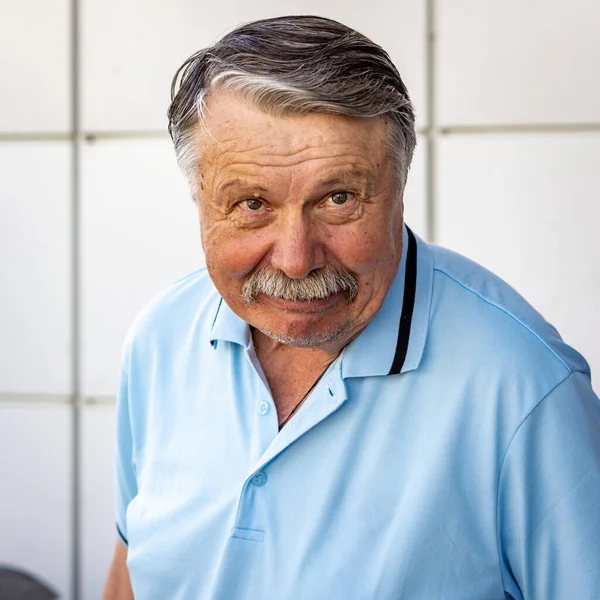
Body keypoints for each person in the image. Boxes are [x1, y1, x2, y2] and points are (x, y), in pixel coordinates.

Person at [103, 15, 600, 600]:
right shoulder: (159, 340)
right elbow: (130, 575)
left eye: (339, 198)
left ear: (400, 185)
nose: (295, 259)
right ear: (199, 199)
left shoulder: (526, 387)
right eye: (252, 203)